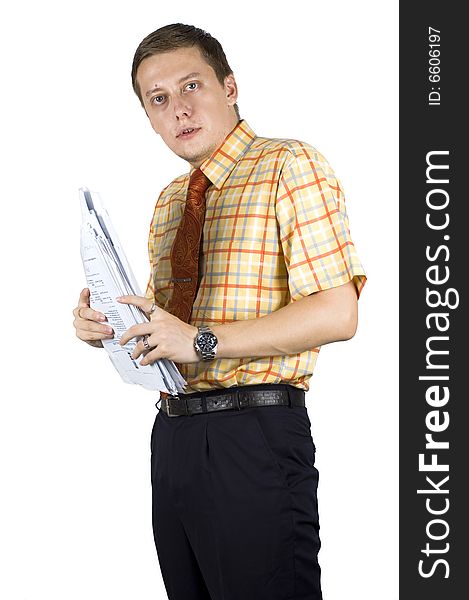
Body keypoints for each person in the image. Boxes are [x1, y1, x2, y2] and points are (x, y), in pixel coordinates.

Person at [73, 23, 366, 600]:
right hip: (174, 436)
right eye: (158, 100)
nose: (178, 109)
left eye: (191, 86)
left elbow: (339, 312)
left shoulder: (289, 164)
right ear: (148, 117)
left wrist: (202, 341)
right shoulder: (171, 199)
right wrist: (108, 328)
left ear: (229, 86)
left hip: (253, 436)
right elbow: (170, 333)